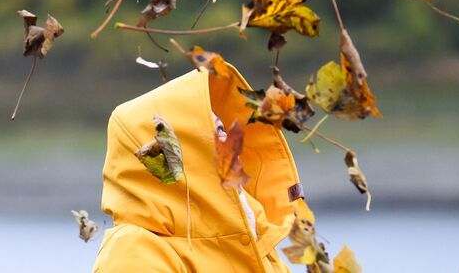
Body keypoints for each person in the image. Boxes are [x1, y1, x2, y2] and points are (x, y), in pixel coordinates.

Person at [92, 62, 303, 272]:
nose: (229, 138)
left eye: (223, 127)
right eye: (215, 130)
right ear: (180, 149)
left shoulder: (258, 241)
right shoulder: (134, 252)